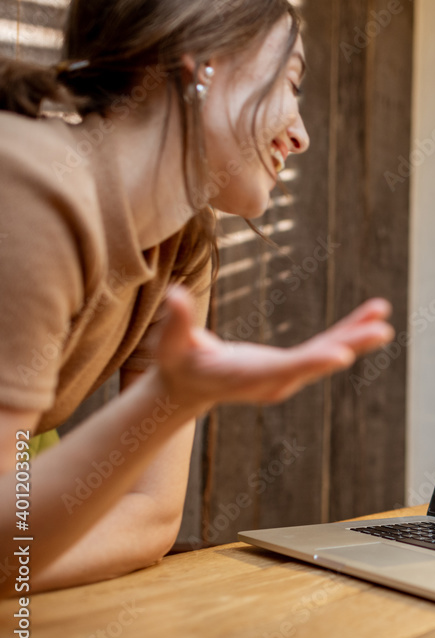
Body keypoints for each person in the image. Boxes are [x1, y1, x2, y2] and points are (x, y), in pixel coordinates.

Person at [0, 0, 395, 596]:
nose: (302, 134)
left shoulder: (180, 245)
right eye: (289, 82)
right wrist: (169, 399)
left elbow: (152, 519)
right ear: (204, 58)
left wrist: (174, 398)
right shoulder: (31, 190)